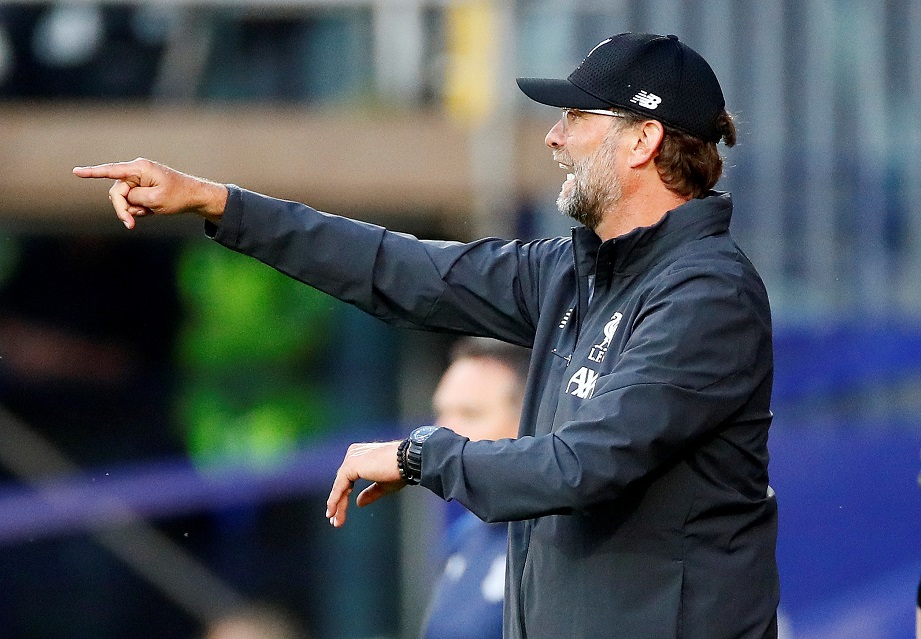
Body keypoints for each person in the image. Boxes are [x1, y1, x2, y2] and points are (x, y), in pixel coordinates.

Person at [74, 32, 779, 639]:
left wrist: (422, 456)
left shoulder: (705, 293)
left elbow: (584, 465)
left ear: (643, 140)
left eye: (574, 115)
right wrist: (219, 203)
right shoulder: (575, 271)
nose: (553, 136)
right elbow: (399, 268)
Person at [423, 337, 529, 639]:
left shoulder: (564, 542)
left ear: (531, 422)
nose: (439, 436)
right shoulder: (462, 538)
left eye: (469, 413)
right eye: (441, 413)